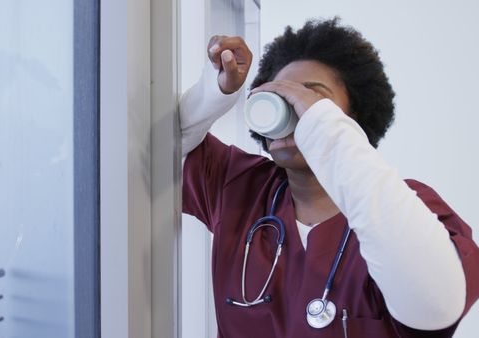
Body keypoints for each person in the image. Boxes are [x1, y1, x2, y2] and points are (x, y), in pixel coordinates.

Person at [180, 18, 479, 337]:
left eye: (310, 97)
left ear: (351, 119)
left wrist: (322, 129)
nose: (290, 109)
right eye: (279, 97)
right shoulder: (241, 186)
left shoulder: (404, 206)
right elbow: (159, 149)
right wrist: (215, 92)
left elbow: (436, 305)